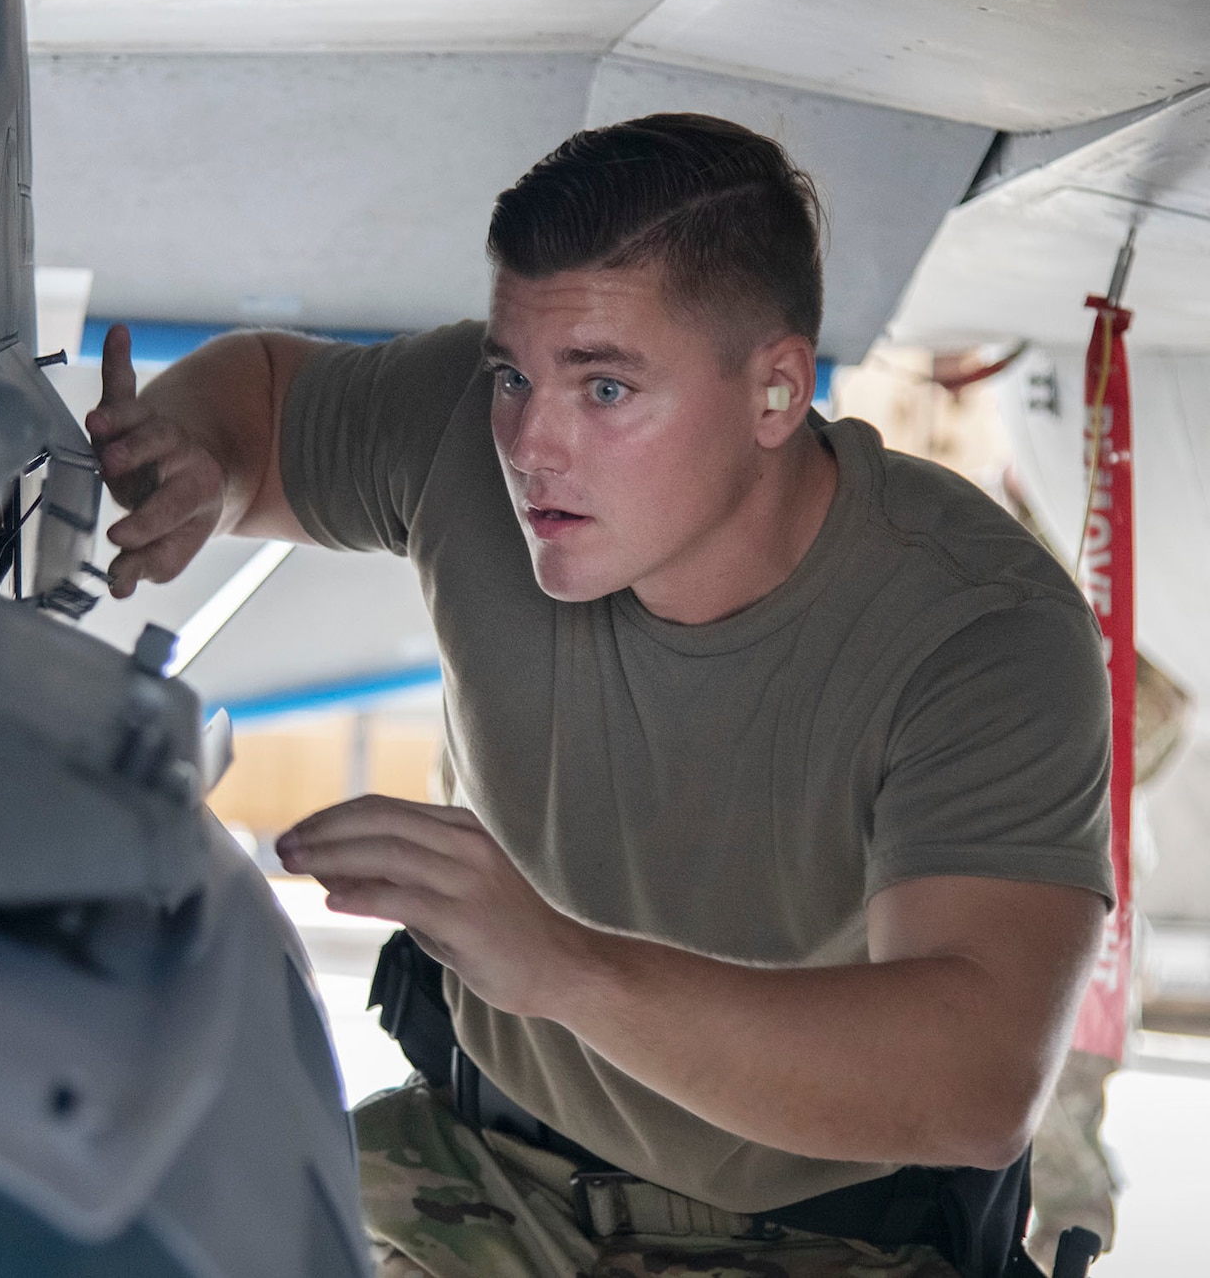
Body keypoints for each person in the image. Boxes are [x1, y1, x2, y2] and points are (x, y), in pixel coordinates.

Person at [84, 114, 1115, 1278]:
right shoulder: (466, 436)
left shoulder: (978, 630)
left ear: (775, 391)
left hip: (825, 1242)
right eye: (511, 375)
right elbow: (268, 405)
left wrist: (562, 966)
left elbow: (974, 1082)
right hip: (477, 1171)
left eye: (606, 389)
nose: (529, 442)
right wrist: (198, 461)